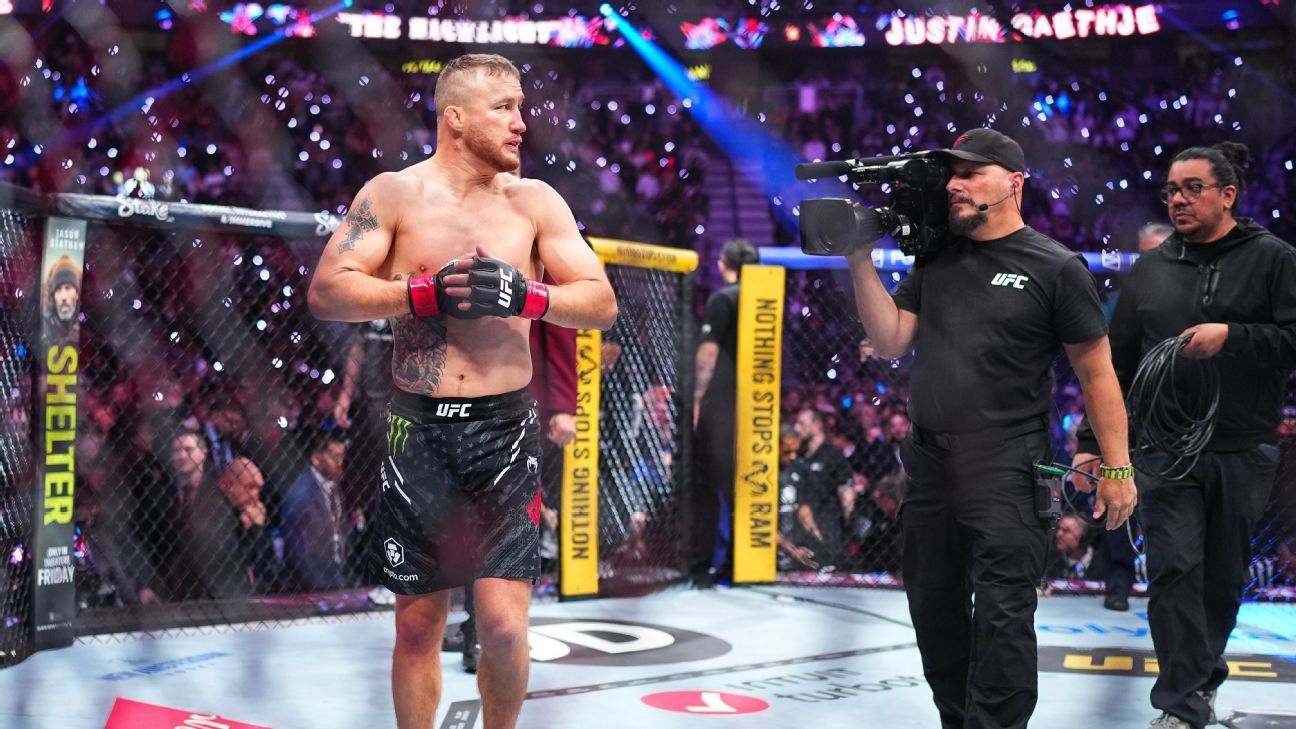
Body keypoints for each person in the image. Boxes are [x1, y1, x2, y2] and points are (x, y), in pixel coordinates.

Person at [307, 53, 616, 729]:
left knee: (503, 626)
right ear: (455, 118)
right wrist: (421, 293)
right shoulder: (393, 194)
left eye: (521, 107)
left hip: (504, 430)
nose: (521, 123)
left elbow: (600, 303)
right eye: (504, 108)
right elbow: (328, 291)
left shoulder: (535, 202)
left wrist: (527, 295)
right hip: (417, 429)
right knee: (419, 624)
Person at [844, 127, 1137, 729]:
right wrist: (858, 260)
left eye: (972, 173)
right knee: (933, 613)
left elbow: (1098, 374)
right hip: (930, 465)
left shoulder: (1055, 267)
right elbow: (892, 340)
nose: (956, 184)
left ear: (1013, 184)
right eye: (953, 173)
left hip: (1008, 466)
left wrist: (1117, 468)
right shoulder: (938, 256)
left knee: (1003, 620)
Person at [1072, 142, 1296, 729]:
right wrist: (1090, 442)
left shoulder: (1273, 259)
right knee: (1173, 569)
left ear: (1228, 195)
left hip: (1243, 446)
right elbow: (1114, 364)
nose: (1178, 199)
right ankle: (1181, 705)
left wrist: (1234, 337)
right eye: (1172, 189)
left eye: (1193, 188)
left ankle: (1199, 678)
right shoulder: (1151, 269)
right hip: (1163, 450)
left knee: (1222, 578)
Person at [689, 238, 759, 585]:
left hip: (722, 403)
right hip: (757, 401)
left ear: (722, 265)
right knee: (745, 482)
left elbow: (709, 353)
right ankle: (741, 562)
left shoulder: (723, 298)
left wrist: (697, 399)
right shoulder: (764, 299)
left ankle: (703, 562)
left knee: (710, 484)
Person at [280, 431, 353, 591]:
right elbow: (298, 550)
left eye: (342, 456)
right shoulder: (300, 495)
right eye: (335, 457)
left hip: (337, 574)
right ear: (316, 459)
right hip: (310, 583)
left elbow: (340, 531)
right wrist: (322, 586)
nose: (340, 462)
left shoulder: (335, 486)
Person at [45, 255, 80, 344]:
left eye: (68, 288)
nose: (63, 297)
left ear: (77, 294)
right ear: (53, 297)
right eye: (58, 289)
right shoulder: (43, 327)